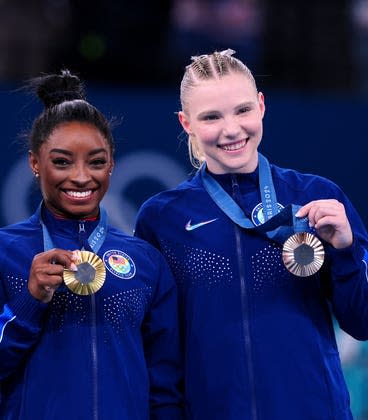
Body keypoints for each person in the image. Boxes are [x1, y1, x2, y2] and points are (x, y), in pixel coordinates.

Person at [134, 49, 368, 419]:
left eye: (242, 110)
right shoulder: (162, 218)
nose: (231, 129)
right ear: (186, 123)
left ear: (261, 105)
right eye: (211, 116)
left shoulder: (316, 197)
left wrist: (345, 251)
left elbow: (362, 321)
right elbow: (159, 345)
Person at [0, 70, 183, 419]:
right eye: (62, 162)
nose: (82, 177)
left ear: (112, 164)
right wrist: (29, 303)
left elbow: (165, 387)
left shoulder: (146, 261)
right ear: (34, 163)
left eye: (97, 162)